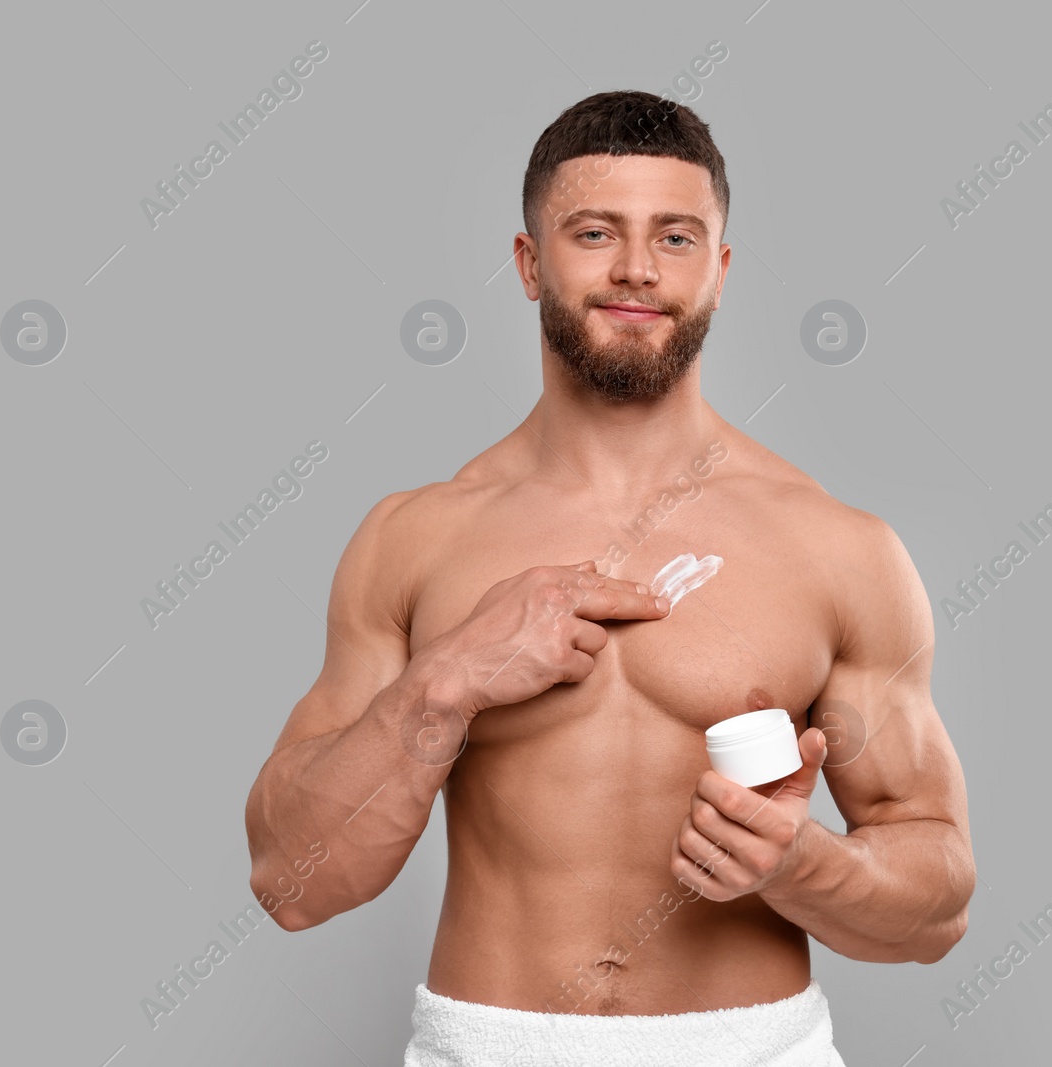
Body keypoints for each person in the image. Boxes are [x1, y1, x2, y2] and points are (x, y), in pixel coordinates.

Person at [244, 89, 975, 1066]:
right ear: (529, 262)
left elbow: (935, 906)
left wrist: (804, 865)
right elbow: (295, 881)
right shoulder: (414, 539)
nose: (637, 267)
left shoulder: (836, 548)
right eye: (595, 232)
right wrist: (447, 677)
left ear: (718, 271)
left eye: (675, 238)